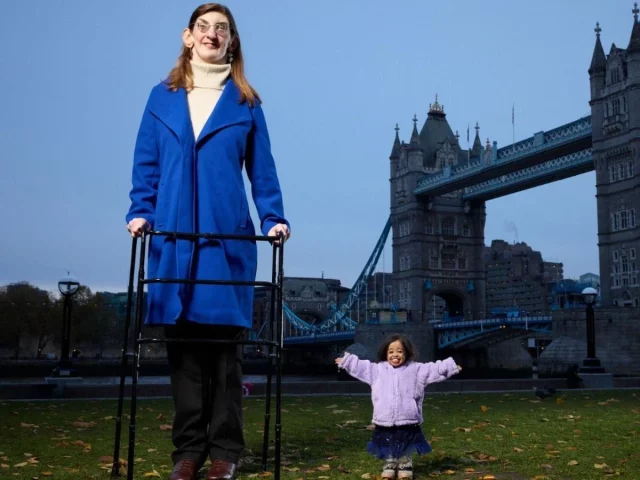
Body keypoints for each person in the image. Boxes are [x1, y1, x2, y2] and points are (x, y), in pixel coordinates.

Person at [125, 4, 290, 480]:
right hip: (173, 238)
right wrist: (140, 210)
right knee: (184, 354)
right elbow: (146, 163)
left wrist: (274, 217)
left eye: (222, 28)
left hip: (225, 238)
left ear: (232, 41)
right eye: (205, 27)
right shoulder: (162, 98)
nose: (213, 34)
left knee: (224, 354)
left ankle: (225, 453)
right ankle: (188, 453)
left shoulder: (246, 103)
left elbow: (263, 171)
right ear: (188, 36)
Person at [335, 335, 461, 479]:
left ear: (406, 352)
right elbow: (363, 367)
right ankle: (390, 462)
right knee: (387, 441)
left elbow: (433, 369)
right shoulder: (377, 370)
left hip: (407, 417)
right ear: (385, 354)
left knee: (405, 441)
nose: (395, 355)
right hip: (385, 417)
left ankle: (405, 463)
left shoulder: (416, 370)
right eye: (391, 351)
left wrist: (450, 366)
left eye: (399, 351)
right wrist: (348, 361)